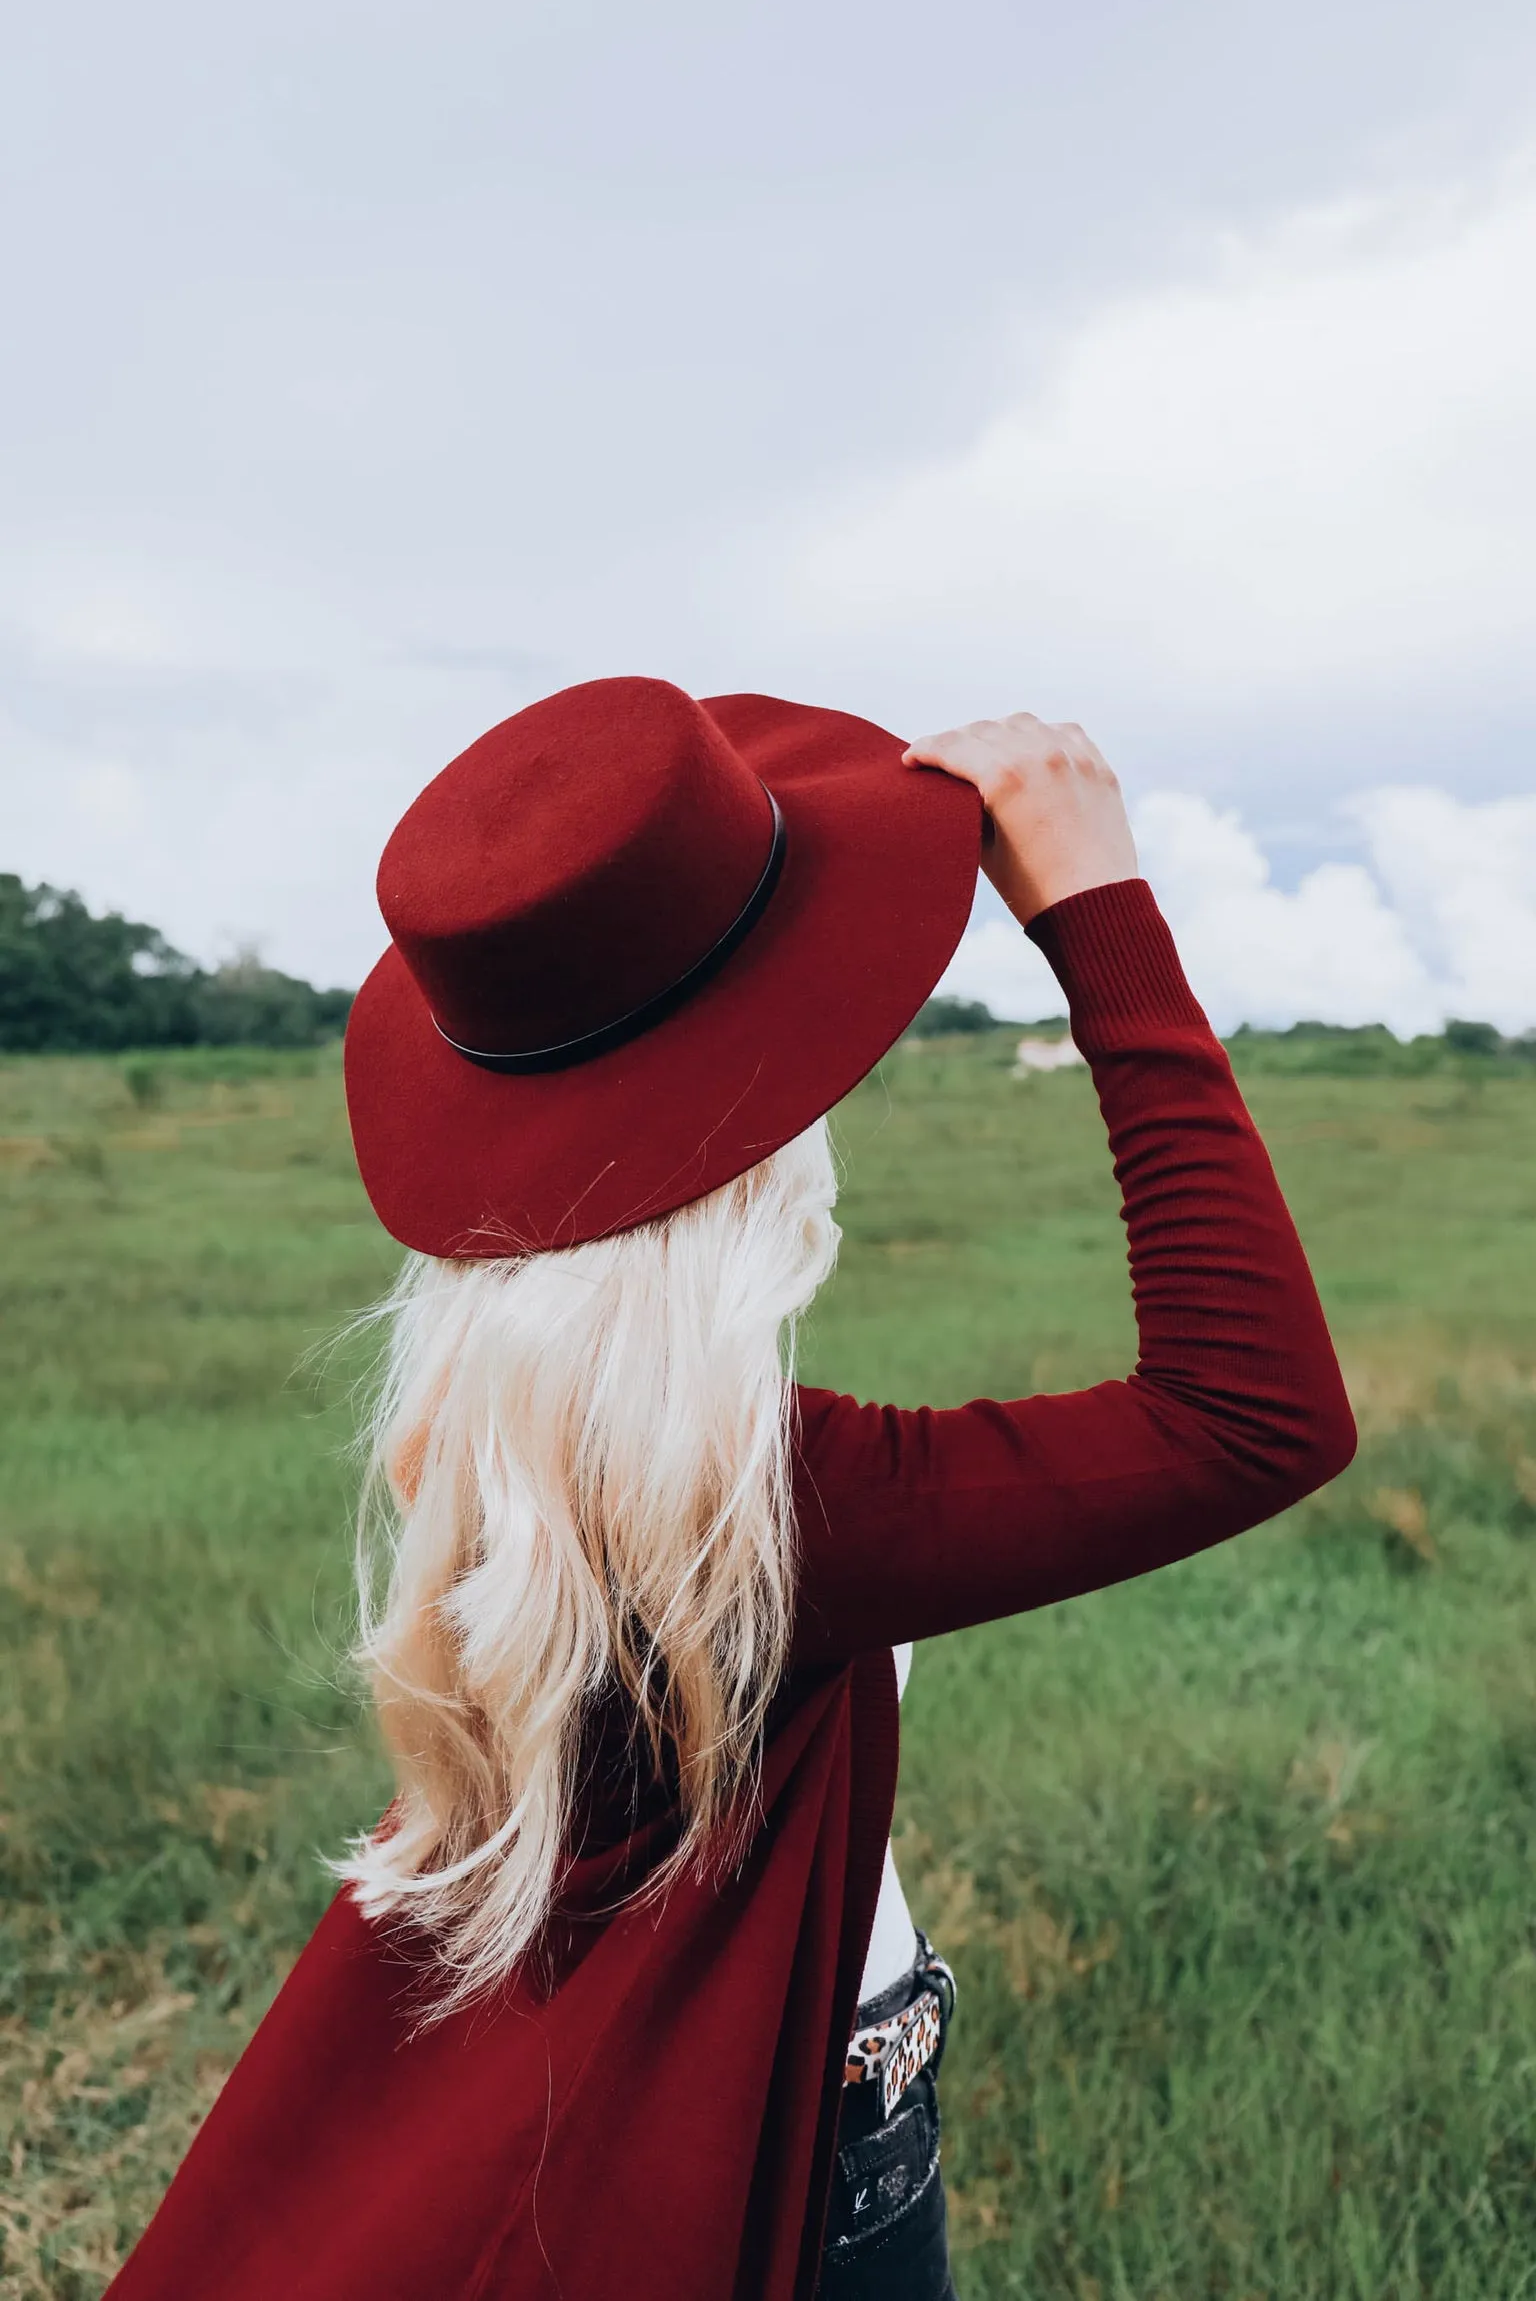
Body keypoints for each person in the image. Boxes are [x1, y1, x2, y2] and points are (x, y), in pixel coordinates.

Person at [105, 678, 1356, 2301]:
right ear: (767, 1118)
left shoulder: (482, 1425)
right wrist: (1099, 915)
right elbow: (1254, 1411)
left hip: (587, 2127)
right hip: (799, 2154)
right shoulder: (763, 1505)